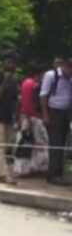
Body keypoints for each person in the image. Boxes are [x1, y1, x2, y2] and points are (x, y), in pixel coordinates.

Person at [0, 51, 20, 185]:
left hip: (8, 116)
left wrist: (16, 117)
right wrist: (4, 82)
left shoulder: (14, 81)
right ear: (3, 63)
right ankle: (5, 174)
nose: (10, 65)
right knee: (0, 145)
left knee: (3, 146)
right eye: (8, 62)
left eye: (12, 62)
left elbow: (14, 100)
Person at [40, 57, 72, 186]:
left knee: (62, 144)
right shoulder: (51, 75)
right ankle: (53, 175)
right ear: (65, 66)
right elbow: (43, 95)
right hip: (54, 111)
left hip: (66, 113)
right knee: (55, 143)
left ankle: (59, 172)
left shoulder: (69, 79)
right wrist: (45, 115)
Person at [15, 64, 49, 177]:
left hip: (28, 116)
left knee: (28, 143)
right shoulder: (32, 84)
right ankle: (34, 168)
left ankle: (27, 168)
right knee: (34, 143)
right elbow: (28, 103)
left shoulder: (27, 83)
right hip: (33, 117)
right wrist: (28, 117)